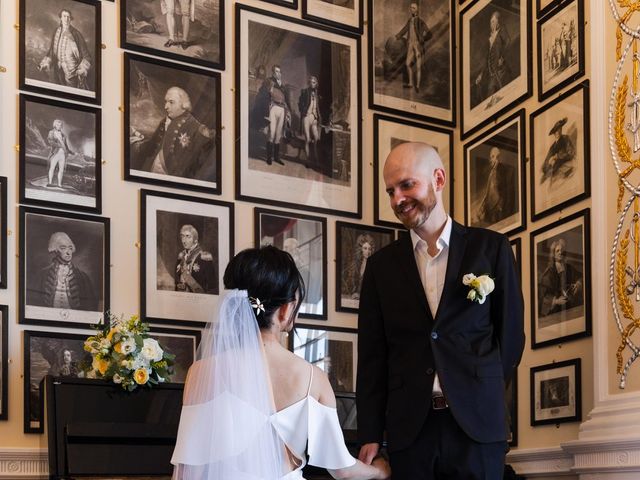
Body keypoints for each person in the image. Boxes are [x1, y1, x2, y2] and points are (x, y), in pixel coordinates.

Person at [356, 142, 524, 479]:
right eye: (390, 191)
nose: (397, 200)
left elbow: (510, 338)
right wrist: (371, 434)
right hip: (410, 434)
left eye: (406, 185)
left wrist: (476, 388)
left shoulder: (491, 249)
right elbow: (373, 358)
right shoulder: (379, 268)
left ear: (439, 178)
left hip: (477, 429)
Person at [171, 246, 391, 479]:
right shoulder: (312, 378)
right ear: (286, 310)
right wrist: (379, 472)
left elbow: (186, 469)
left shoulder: (200, 372)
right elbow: (342, 470)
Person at [130, 86, 215, 181]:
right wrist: (136, 143)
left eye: (171, 102)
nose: (166, 106)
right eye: (166, 102)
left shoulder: (196, 128)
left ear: (183, 104)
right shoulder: (165, 121)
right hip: (153, 173)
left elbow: (200, 162)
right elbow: (152, 146)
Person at [28, 232, 98, 312]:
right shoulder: (42, 275)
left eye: (70, 248)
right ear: (55, 250)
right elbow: (33, 303)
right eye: (63, 248)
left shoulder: (82, 277)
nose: (68, 252)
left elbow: (91, 306)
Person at [39, 9, 92, 90]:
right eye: (64, 16)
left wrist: (82, 69)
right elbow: (51, 51)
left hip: (72, 72)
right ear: (60, 18)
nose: (66, 19)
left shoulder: (76, 34)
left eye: (68, 17)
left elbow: (86, 56)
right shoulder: (56, 31)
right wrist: (45, 63)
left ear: (70, 19)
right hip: (58, 69)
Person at [253, 65, 291, 166]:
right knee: (272, 133)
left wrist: (288, 112)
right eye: (276, 72)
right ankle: (269, 158)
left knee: (278, 135)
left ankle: (276, 157)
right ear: (273, 73)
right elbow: (263, 94)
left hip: (282, 109)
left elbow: (286, 100)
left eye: (279, 72)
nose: (278, 73)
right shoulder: (269, 81)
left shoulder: (283, 85)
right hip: (273, 108)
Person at [538, 237, 583, 318]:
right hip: (555, 312)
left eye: (562, 250)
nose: (560, 253)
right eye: (557, 251)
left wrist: (578, 284)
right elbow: (542, 295)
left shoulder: (569, 268)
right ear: (553, 254)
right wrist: (556, 301)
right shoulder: (549, 273)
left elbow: (581, 276)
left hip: (570, 307)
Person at [474, 11, 512, 105]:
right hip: (492, 73)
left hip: (501, 70)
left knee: (501, 95)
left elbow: (508, 43)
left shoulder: (501, 32)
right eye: (491, 22)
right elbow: (487, 58)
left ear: (498, 22)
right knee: (490, 97)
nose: (492, 24)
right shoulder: (490, 38)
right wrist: (481, 75)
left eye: (494, 21)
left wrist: (502, 58)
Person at [395, 2, 431, 93]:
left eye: (414, 8)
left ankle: (417, 86)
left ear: (417, 10)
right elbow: (405, 29)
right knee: (407, 64)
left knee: (418, 66)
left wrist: (422, 40)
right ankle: (411, 83)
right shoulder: (409, 20)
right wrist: (398, 36)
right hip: (410, 44)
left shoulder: (421, 21)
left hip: (417, 46)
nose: (412, 9)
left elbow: (429, 34)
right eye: (411, 8)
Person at [475, 146, 516, 226]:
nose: (492, 159)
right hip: (491, 206)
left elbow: (503, 188)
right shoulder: (491, 172)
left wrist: (501, 203)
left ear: (499, 157)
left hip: (499, 206)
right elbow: (488, 190)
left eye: (494, 157)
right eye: (491, 157)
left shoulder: (501, 169)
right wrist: (482, 204)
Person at [175, 224, 217, 294]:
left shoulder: (204, 257)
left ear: (195, 240)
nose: (184, 240)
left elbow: (212, 287)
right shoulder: (181, 256)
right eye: (182, 236)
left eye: (188, 236)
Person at [298, 75, 326, 170]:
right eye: (310, 82)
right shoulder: (305, 91)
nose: (312, 84)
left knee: (317, 139)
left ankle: (316, 161)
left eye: (314, 82)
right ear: (309, 83)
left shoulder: (317, 94)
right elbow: (300, 103)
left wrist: (318, 116)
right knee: (308, 139)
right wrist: (303, 112)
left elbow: (318, 107)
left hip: (314, 118)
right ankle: (308, 160)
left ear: (316, 83)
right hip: (306, 117)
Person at [540, 117, 576, 185]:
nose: (558, 132)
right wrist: (546, 166)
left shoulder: (566, 139)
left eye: (560, 129)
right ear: (554, 133)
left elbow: (571, 153)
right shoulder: (552, 146)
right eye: (556, 130)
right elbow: (547, 159)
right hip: (553, 171)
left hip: (565, 167)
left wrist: (557, 156)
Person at [342, 234, 375, 300]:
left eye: (369, 249)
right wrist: (353, 293)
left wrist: (361, 295)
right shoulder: (355, 265)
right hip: (353, 299)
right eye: (365, 248)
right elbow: (348, 284)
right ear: (361, 249)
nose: (367, 252)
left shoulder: (374, 267)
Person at [46, 119, 74, 188]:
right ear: (55, 125)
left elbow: (66, 146)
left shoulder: (63, 135)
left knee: (61, 170)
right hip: (55, 153)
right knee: (52, 168)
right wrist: (59, 145)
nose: (59, 126)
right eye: (58, 125)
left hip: (63, 154)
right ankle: (50, 183)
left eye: (60, 125)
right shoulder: (51, 132)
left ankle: (59, 184)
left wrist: (70, 152)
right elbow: (50, 142)